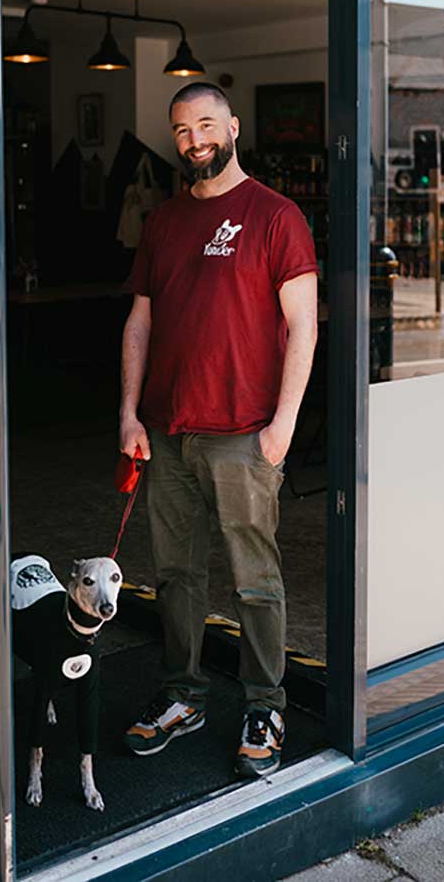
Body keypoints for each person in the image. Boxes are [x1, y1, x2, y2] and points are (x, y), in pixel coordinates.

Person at [119, 82, 318, 777]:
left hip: (245, 433)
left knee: (254, 579)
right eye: (181, 129)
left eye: (206, 124)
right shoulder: (165, 221)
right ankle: (183, 694)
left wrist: (283, 425)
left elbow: (304, 324)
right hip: (169, 433)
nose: (194, 138)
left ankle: (266, 702)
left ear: (233, 127)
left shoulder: (276, 215)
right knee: (176, 575)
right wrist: (129, 411)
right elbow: (140, 321)